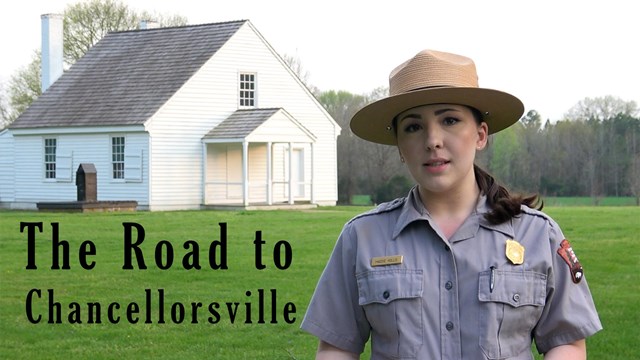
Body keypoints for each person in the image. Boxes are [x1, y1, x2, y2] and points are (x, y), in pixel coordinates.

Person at [300, 49, 602, 359]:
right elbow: (337, 347)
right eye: (413, 127)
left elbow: (565, 341)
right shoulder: (362, 238)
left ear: (481, 135)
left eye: (450, 120)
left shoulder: (537, 235)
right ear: (400, 147)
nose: (432, 140)